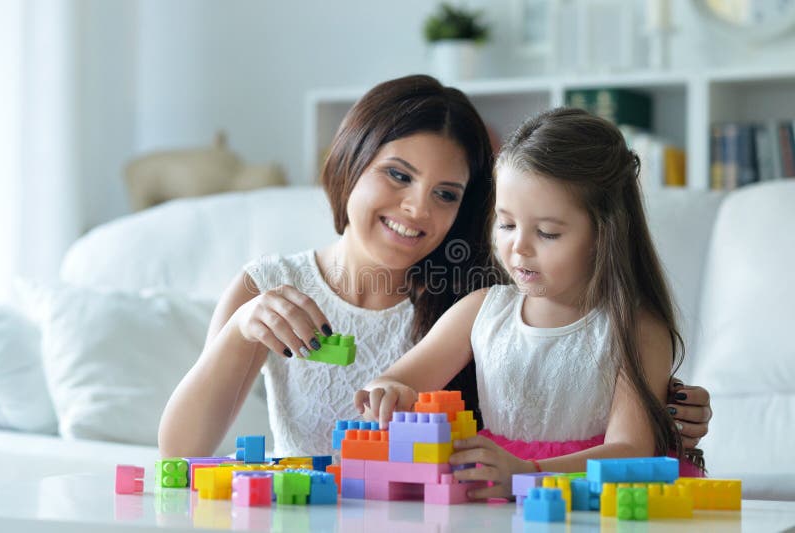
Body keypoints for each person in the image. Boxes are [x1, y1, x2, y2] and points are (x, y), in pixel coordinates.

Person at [158, 76, 711, 459]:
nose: (417, 209)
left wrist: (666, 405)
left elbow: (560, 380)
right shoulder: (270, 288)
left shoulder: (480, 294)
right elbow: (180, 452)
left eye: (446, 194)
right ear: (351, 160)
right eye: (397, 175)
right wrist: (241, 328)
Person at [356, 107, 705, 500]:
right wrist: (385, 393)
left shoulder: (634, 328)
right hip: (491, 487)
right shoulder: (483, 309)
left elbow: (632, 451)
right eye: (506, 224)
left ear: (604, 235)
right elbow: (401, 379)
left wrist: (528, 474)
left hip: (585, 496)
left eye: (547, 233)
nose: (518, 247)